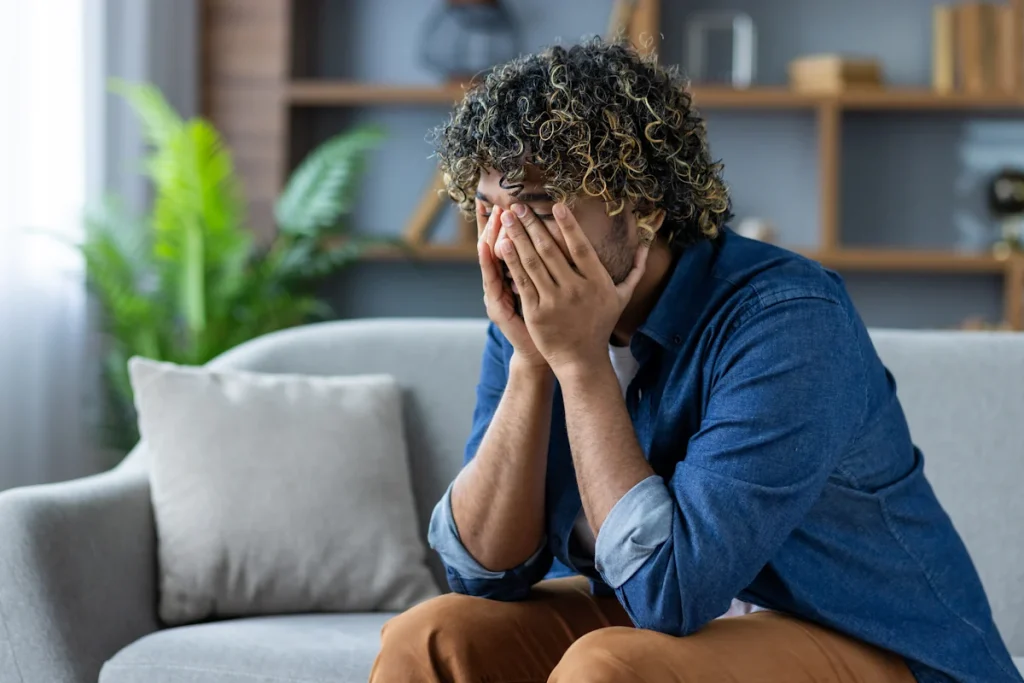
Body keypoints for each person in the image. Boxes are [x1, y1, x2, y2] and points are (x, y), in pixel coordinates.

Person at [369, 38, 1022, 683]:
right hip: (695, 628)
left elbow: (668, 590)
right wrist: (529, 362)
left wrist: (579, 363)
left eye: (540, 210)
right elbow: (482, 570)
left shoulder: (787, 318)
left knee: (610, 666)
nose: (508, 244)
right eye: (488, 210)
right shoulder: (533, 307)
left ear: (647, 207)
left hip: (865, 640)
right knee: (429, 637)